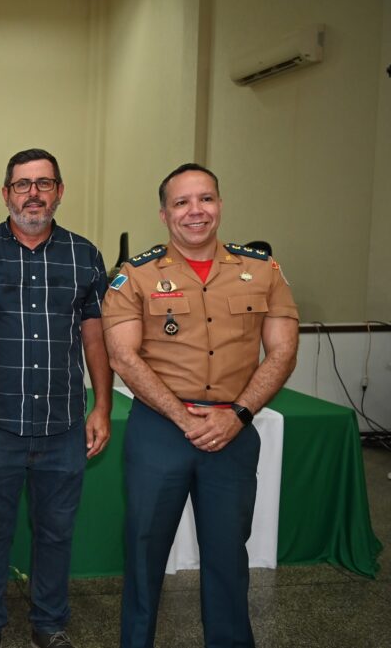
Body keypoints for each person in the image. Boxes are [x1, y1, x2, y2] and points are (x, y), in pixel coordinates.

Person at [101, 163, 299, 648]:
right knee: (145, 553)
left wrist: (239, 415)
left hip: (233, 428)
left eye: (205, 199)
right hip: (159, 431)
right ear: (165, 213)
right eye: (183, 202)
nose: (196, 211)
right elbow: (122, 355)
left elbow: (283, 350)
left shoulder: (263, 271)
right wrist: (179, 415)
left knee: (228, 556)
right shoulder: (136, 276)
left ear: (220, 205)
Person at [0, 149, 112, 648]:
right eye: (22, 184)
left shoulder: (85, 254)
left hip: (63, 426)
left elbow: (95, 337)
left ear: (59, 191)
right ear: (6, 193)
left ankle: (50, 624)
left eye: (43, 183)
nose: (33, 193)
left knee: (57, 532)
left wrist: (101, 404)